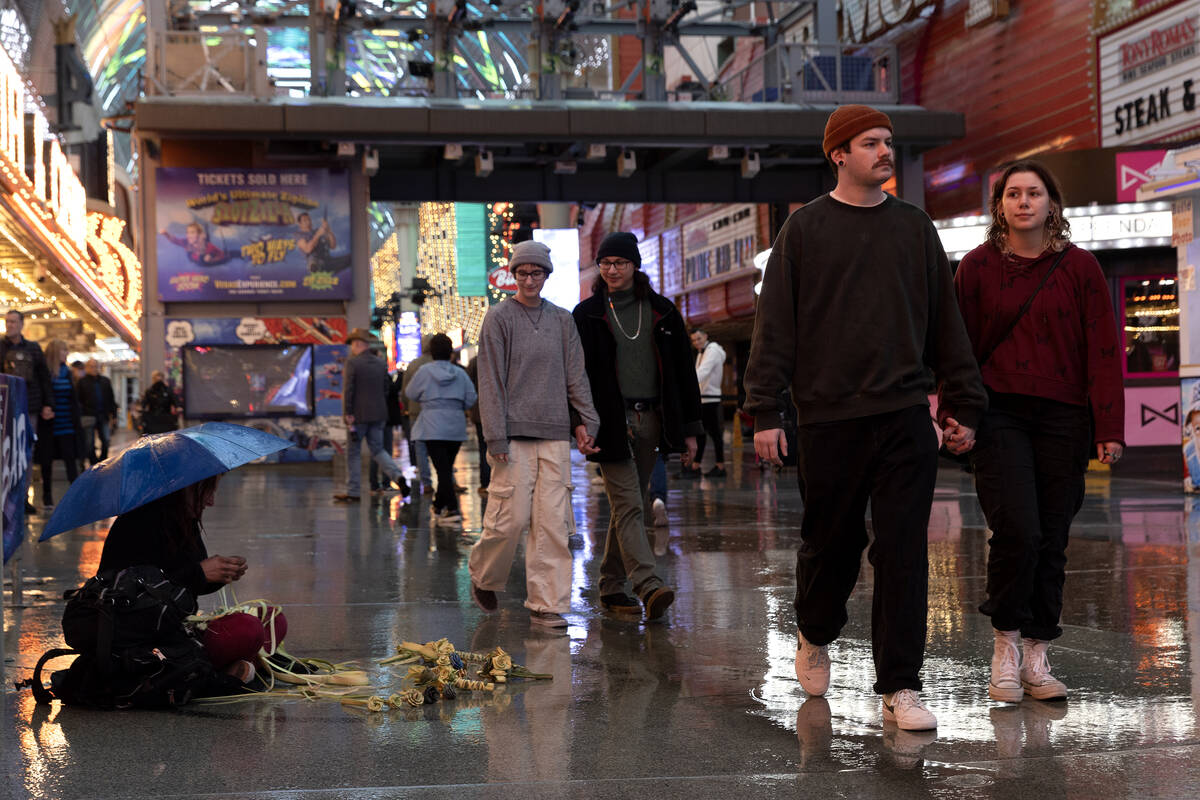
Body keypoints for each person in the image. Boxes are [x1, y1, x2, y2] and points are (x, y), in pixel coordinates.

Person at [743, 105, 987, 732]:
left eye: (887, 142)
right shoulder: (803, 231)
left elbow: (946, 325)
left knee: (905, 552)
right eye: (871, 143)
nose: (885, 152)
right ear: (839, 155)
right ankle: (815, 630)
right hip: (828, 419)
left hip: (904, 413)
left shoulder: (914, 228)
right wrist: (765, 410)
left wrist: (963, 403)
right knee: (834, 545)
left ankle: (901, 686)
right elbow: (775, 331)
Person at [942, 160, 1124, 704]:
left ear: (1052, 204)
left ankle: (1039, 653)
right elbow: (958, 352)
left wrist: (1108, 426)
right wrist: (958, 418)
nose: (1024, 202)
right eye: (1013, 194)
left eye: (1034, 193)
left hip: (1065, 416)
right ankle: (1005, 645)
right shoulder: (975, 268)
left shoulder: (1081, 268)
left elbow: (1104, 350)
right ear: (1000, 205)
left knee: (1051, 535)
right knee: (1016, 530)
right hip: (999, 415)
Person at [469, 240, 600, 629]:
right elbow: (489, 381)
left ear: (546, 275)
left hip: (556, 434)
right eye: (522, 272)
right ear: (512, 275)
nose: (529, 279)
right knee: (508, 519)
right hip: (512, 436)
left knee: (553, 523)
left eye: (536, 272)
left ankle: (547, 604)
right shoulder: (499, 318)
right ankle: (485, 576)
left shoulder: (562, 320)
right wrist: (495, 436)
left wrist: (588, 421)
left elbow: (576, 374)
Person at [573, 231, 702, 621]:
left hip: (653, 421)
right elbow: (575, 376)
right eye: (606, 263)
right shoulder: (588, 314)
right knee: (631, 504)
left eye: (620, 263)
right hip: (609, 422)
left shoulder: (662, 311)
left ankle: (612, 588)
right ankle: (648, 585)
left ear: (634, 266)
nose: (612, 270)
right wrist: (579, 422)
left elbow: (683, 372)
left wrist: (692, 429)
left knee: (628, 505)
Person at [98, 475, 291, 687]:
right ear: (182, 489)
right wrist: (199, 572)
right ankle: (220, 669)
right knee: (248, 630)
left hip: (180, 629)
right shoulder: (139, 523)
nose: (211, 501)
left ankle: (231, 667)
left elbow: (192, 582)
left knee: (272, 619)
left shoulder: (183, 520)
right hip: (148, 640)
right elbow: (139, 597)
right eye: (207, 491)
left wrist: (221, 574)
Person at [405, 333, 478, 524]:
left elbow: (410, 393)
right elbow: (471, 397)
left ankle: (452, 509)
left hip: (432, 424)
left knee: (442, 469)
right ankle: (438, 506)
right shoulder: (459, 373)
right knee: (446, 467)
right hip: (455, 425)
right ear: (450, 352)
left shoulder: (424, 371)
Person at [335, 328, 411, 503]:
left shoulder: (353, 363)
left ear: (357, 344)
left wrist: (347, 413)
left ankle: (353, 492)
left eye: (353, 345)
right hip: (379, 414)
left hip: (358, 415)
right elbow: (386, 389)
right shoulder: (380, 363)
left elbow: (349, 390)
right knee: (378, 450)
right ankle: (398, 477)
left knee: (353, 453)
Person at [1, 309, 54, 513]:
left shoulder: (33, 349)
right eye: (7, 321)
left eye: (14, 321)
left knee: (25, 453)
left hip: (29, 407)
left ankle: (22, 497)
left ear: (22, 324)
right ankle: (5, 498)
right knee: (4, 453)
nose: (10, 325)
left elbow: (44, 378)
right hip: (4, 407)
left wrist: (48, 404)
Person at [39, 340, 82, 510]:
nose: (66, 353)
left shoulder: (67, 371)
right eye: (64, 350)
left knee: (70, 460)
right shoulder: (45, 372)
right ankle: (47, 496)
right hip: (49, 424)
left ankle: (75, 495)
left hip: (67, 423)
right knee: (46, 461)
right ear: (56, 352)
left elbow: (72, 398)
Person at [688, 328, 728, 477]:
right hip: (704, 398)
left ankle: (718, 467)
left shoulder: (712, 351)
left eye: (698, 338)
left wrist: (686, 387)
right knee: (704, 434)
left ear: (705, 336)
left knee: (712, 434)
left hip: (710, 398)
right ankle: (698, 466)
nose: (696, 342)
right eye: (693, 340)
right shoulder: (702, 352)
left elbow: (702, 372)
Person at [402, 336, 435, 493]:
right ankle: (450, 480)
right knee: (440, 445)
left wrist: (407, 407)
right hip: (436, 410)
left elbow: (405, 389)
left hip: (416, 410)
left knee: (420, 447)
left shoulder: (413, 365)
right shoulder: (439, 363)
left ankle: (426, 482)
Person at [77, 359, 117, 466]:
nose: (94, 368)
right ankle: (93, 463)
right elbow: (78, 400)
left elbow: (111, 398)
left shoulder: (105, 381)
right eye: (91, 366)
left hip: (103, 415)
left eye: (96, 366)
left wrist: (114, 415)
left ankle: (103, 461)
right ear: (87, 368)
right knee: (89, 443)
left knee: (106, 440)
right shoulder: (82, 382)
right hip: (88, 415)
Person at [466, 354, 491, 496]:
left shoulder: (475, 361)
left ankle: (485, 482)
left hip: (480, 410)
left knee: (483, 448)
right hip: (499, 409)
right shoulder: (502, 356)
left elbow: (469, 386)